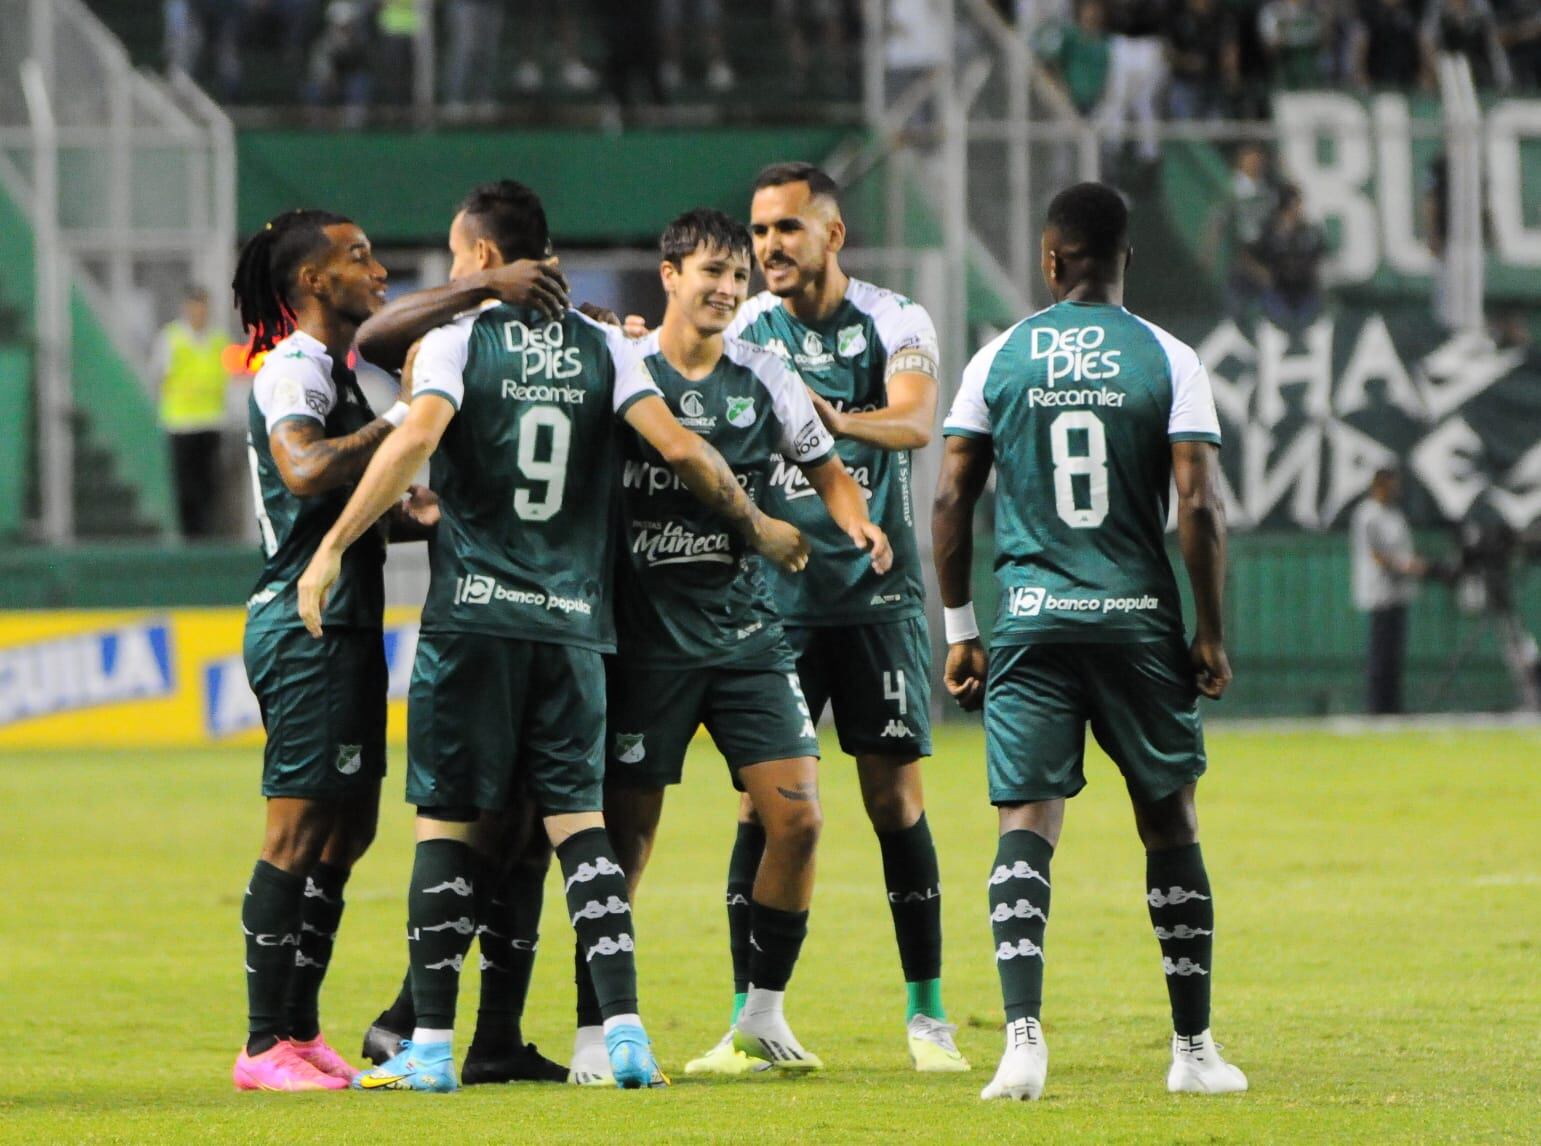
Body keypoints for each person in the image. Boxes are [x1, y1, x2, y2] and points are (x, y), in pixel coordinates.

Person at [297, 180, 808, 1093]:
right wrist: (758, 525)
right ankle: (621, 1035)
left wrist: (335, 545)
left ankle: (428, 1047)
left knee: (446, 828)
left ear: (484, 257)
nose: (452, 273)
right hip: (576, 628)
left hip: (475, 622)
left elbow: (414, 439)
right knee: (580, 827)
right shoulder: (608, 346)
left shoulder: (457, 341)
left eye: (459, 258)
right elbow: (687, 452)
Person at [932, 182, 1247, 1100]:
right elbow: (1196, 503)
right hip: (1135, 624)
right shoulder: (1168, 356)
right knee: (1168, 821)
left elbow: (951, 497)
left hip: (1030, 621)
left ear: (1049, 259)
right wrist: (1211, 634)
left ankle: (1020, 1040)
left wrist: (960, 631)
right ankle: (1192, 1054)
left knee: (1024, 824)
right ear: (1123, 261)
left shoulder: (999, 356)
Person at [577, 208, 890, 1082]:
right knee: (625, 841)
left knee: (797, 818)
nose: (726, 289)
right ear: (668, 274)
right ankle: (597, 1028)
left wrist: (858, 526)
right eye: (711, 271)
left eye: (739, 277)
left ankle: (761, 1014)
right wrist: (763, 528)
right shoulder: (621, 366)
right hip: (644, 644)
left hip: (747, 637)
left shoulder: (765, 378)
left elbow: (829, 473)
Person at [699, 161, 969, 1075]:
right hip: (772, 603)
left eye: (785, 229)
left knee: (893, 800)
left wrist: (826, 422)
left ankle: (927, 1017)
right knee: (762, 805)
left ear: (832, 235)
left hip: (874, 596)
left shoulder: (894, 320)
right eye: (758, 232)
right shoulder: (745, 326)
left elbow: (916, 420)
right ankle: (747, 1020)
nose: (767, 247)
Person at [230, 207, 436, 1092]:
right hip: (304, 626)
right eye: (359, 258)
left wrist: (405, 516)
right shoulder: (295, 369)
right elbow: (305, 471)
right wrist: (404, 427)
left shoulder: (338, 373)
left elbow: (339, 505)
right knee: (296, 830)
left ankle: (302, 1032)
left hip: (347, 624)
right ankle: (260, 1044)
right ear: (313, 282)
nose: (378, 271)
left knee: (347, 831)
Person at [151, 286, 231, 538]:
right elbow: (160, 375)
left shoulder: (219, 340)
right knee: (186, 484)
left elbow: (226, 378)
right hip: (182, 422)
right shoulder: (172, 339)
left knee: (210, 482)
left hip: (211, 421)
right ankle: (189, 535)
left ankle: (208, 533)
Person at [1350, 466, 1426, 715]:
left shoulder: (1394, 514)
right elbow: (1376, 554)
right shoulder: (1368, 514)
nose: (1396, 490)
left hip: (1398, 592)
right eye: (1391, 484)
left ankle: (1392, 706)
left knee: (1394, 654)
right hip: (1379, 592)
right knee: (1381, 653)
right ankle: (1377, 707)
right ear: (1379, 485)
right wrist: (1404, 565)